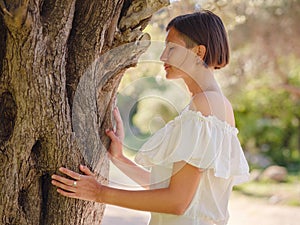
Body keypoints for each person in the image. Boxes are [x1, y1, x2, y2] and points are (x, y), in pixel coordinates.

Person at [51, 10, 250, 225]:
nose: (163, 56)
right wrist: (119, 159)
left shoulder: (205, 107)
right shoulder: (214, 105)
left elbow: (177, 202)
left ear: (199, 52)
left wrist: (98, 193)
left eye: (172, 48)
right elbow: (169, 189)